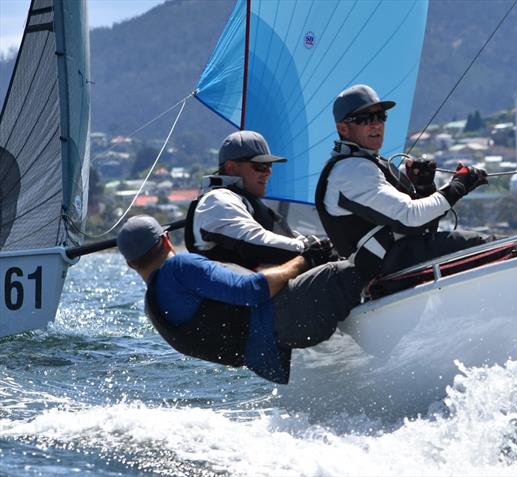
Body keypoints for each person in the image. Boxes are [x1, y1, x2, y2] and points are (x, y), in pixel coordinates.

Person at [117, 214, 364, 384]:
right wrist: (306, 258)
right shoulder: (179, 267)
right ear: (166, 239)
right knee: (351, 268)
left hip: (268, 356)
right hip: (280, 319)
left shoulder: (154, 306)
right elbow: (250, 290)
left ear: (130, 264)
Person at [315, 84, 492, 277]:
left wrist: (423, 187)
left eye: (381, 116)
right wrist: (458, 186)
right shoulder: (351, 171)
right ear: (343, 128)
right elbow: (410, 218)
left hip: (402, 262)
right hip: (393, 270)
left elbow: (423, 223)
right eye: (364, 118)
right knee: (486, 245)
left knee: (485, 246)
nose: (376, 124)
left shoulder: (366, 163)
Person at [185, 130, 317, 269]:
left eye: (269, 166)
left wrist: (314, 244)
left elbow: (281, 238)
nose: (267, 173)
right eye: (260, 166)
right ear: (231, 167)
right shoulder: (217, 200)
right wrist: (307, 248)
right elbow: (252, 241)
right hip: (236, 288)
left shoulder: (243, 202)